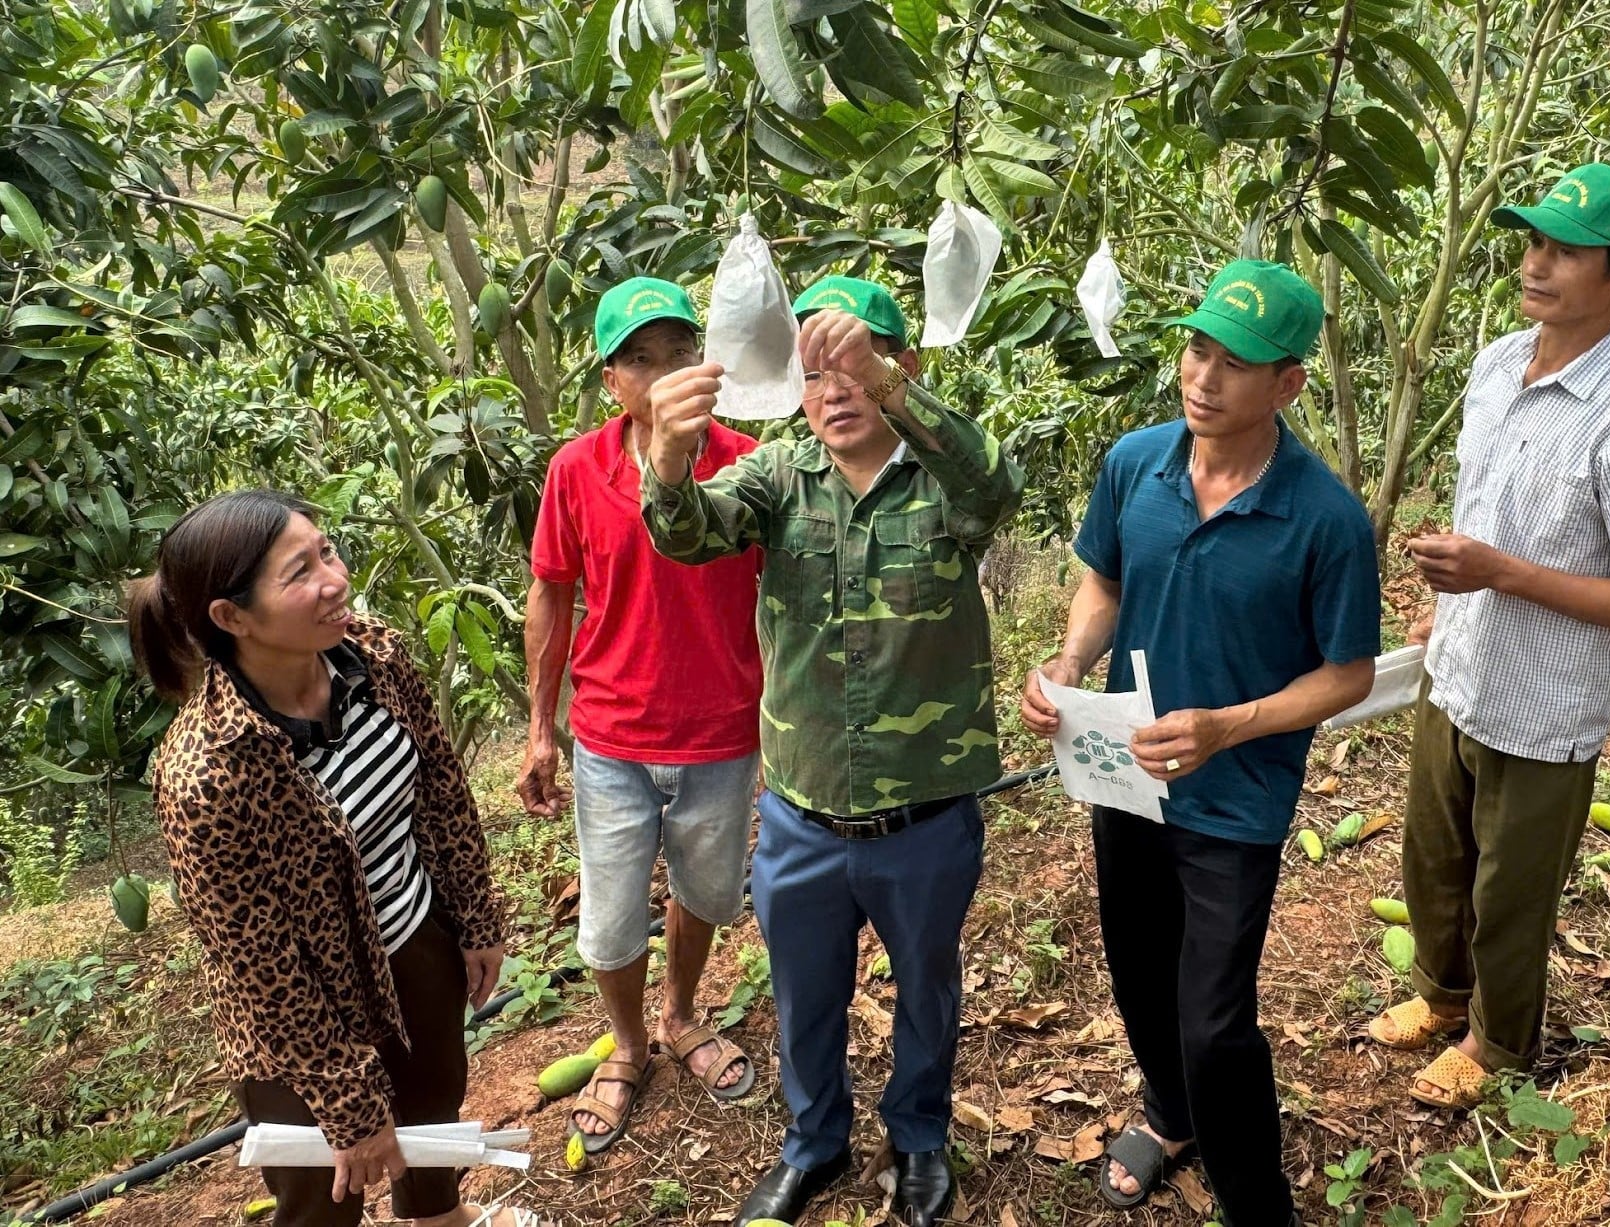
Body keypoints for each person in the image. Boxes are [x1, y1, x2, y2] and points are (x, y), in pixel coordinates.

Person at [640, 275, 1024, 1227]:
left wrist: (896, 391)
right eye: (814, 373)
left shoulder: (943, 475)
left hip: (924, 812)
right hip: (804, 813)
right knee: (804, 995)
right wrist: (668, 458)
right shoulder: (780, 476)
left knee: (925, 988)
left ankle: (921, 1137)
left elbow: (997, 488)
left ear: (903, 369)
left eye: (855, 362)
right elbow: (688, 536)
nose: (834, 388)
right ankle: (814, 1142)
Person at [1021, 259, 1380, 1227]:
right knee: (1138, 971)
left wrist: (1230, 727)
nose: (1203, 378)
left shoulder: (1326, 520)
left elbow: (1347, 674)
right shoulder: (1135, 463)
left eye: (1235, 363)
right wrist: (1064, 663)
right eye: (1196, 348)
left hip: (1236, 798)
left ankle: (1256, 1202)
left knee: (1215, 1021)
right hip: (1126, 774)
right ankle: (1170, 1114)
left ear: (1288, 383)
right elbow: (1102, 581)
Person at [130, 490, 542, 1227]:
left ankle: (437, 1219)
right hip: (301, 1022)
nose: (336, 578)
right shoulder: (206, 773)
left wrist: (475, 918)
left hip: (416, 945)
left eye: (327, 550)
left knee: (431, 1116)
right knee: (326, 1193)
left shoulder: (373, 654)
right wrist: (347, 1101)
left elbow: (442, 789)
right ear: (231, 617)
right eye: (301, 571)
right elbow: (263, 966)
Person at [1372, 163, 1610, 1109]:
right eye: (1534, 242)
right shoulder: (1496, 363)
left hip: (1545, 702)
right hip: (1460, 668)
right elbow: (1489, 509)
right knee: (1433, 859)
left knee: (1509, 894)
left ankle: (1500, 1042)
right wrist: (1453, 602)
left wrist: (1498, 574)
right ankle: (1440, 996)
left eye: (1566, 251)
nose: (1538, 263)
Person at [518, 277, 763, 1151]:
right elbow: (550, 595)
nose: (664, 374)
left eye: (680, 352)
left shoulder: (748, 461)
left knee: (703, 892)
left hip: (723, 733)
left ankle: (682, 1014)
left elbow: (790, 596)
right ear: (612, 381)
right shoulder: (575, 471)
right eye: (640, 358)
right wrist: (540, 728)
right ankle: (626, 1044)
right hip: (614, 738)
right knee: (614, 916)